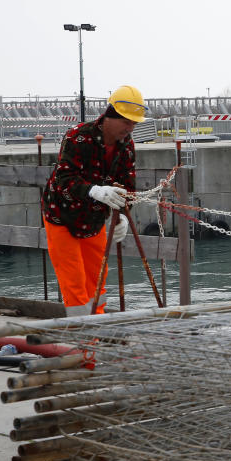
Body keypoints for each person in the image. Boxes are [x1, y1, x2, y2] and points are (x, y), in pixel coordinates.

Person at [42, 85, 147, 316]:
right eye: (126, 122)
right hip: (62, 216)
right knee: (74, 283)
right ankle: (85, 343)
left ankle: (96, 332)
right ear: (110, 116)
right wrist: (94, 191)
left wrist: (123, 216)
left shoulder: (126, 145)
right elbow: (64, 179)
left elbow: (127, 186)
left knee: (97, 279)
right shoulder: (77, 137)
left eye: (134, 123)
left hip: (94, 219)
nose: (130, 128)